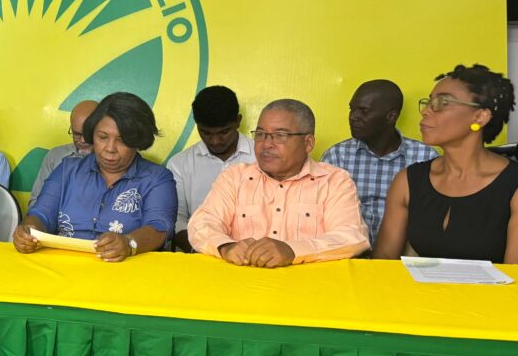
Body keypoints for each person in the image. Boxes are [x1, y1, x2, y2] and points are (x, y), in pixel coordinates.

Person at [188, 99, 369, 267]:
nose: (266, 144)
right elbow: (201, 224)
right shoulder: (235, 177)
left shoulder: (334, 181)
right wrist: (225, 246)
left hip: (310, 290)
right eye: (260, 134)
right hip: (242, 287)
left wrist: (293, 250)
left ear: (308, 143)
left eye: (280, 135)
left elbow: (352, 237)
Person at [374, 64, 518, 264]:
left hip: (492, 295)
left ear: (480, 117)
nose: (426, 111)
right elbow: (383, 261)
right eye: (428, 102)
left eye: (442, 102)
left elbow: (517, 278)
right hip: (419, 294)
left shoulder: (517, 186)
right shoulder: (408, 181)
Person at [13, 92, 177, 262]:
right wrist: (28, 231)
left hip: (125, 274)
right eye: (102, 137)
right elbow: (41, 213)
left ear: (138, 142)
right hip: (65, 268)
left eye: (122, 141)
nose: (110, 148)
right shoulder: (67, 169)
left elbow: (160, 227)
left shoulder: (157, 179)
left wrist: (129, 244)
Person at [322, 80, 437, 245]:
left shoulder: (425, 157)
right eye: (352, 109)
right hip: (349, 255)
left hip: (405, 257)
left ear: (391, 117)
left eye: (363, 111)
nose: (353, 117)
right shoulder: (337, 156)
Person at [165, 86, 256, 252]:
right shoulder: (180, 164)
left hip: (255, 256)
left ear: (238, 121)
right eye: (205, 133)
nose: (215, 141)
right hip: (200, 256)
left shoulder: (261, 158)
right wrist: (205, 249)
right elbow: (176, 219)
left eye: (224, 132)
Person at [29, 99, 97, 203]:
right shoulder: (55, 156)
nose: (82, 140)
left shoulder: (111, 160)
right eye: (76, 134)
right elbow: (36, 201)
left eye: (87, 134)